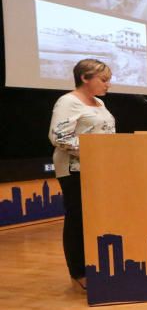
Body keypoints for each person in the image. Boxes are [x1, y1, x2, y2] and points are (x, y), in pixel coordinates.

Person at [49, 58, 116, 291]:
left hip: (100, 168)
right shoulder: (68, 102)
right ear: (85, 78)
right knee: (77, 218)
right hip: (74, 169)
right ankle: (78, 271)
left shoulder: (98, 102)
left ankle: (96, 264)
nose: (108, 85)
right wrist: (95, 149)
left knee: (97, 218)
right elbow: (59, 137)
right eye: (104, 80)